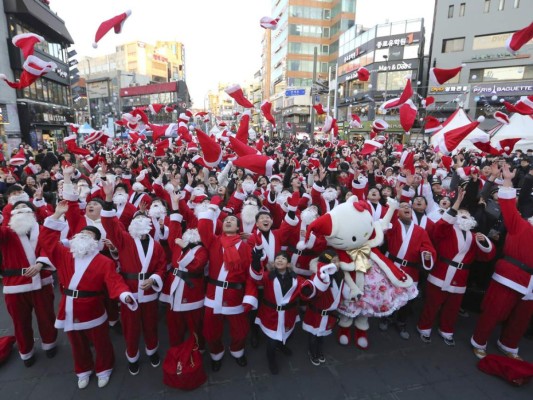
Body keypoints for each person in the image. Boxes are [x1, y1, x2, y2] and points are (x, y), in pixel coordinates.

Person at [40, 201, 138, 389]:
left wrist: (124, 294)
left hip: (92, 306)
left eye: (90, 234)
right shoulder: (64, 255)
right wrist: (56, 216)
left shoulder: (103, 261)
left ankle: (104, 367)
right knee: (77, 343)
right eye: (82, 233)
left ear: (97, 242)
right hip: (69, 306)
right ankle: (83, 370)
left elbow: (114, 281)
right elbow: (48, 242)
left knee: (100, 341)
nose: (84, 236)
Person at [101, 181, 167, 375]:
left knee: (150, 324)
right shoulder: (124, 239)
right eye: (136, 217)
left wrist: (154, 278)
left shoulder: (156, 246)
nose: (140, 219)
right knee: (131, 327)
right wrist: (108, 198)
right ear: (131, 224)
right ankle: (132, 356)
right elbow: (110, 224)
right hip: (129, 289)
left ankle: (152, 351)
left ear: (149, 223)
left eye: (143, 217)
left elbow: (162, 266)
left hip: (148, 291)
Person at [417, 188, 495, 346]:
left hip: (461, 276)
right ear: (456, 217)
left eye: (467, 214)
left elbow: (485, 256)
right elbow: (439, 228)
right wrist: (457, 203)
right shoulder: (447, 231)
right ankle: (424, 327)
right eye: (461, 213)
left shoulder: (474, 236)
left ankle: (446, 330)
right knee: (432, 303)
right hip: (441, 271)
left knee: (453, 307)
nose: (465, 215)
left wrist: (485, 242)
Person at [471, 164, 533, 360]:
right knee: (494, 311)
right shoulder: (521, 225)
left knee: (521, 319)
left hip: (531, 285)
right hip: (510, 275)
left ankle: (509, 345)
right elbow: (508, 206)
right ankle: (479, 341)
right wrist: (507, 180)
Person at [197, 196, 252, 371]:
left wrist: (249, 296)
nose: (228, 221)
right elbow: (203, 226)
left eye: (232, 221)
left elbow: (250, 275)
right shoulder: (214, 241)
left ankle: (237, 350)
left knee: (240, 331)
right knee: (210, 330)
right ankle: (216, 353)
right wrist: (213, 206)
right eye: (226, 220)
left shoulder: (245, 248)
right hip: (213, 294)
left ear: (238, 227)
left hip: (235, 295)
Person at [0, 200, 58, 366]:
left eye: (24, 208)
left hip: (42, 281)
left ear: (32, 213)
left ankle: (50, 344)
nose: (20, 211)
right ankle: (26, 352)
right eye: (16, 209)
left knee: (46, 317)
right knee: (20, 321)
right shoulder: (6, 232)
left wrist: (40, 264)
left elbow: (50, 248)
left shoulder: (42, 231)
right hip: (14, 285)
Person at [245, 250, 313, 374]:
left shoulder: (296, 278)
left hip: (288, 314)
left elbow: (306, 285)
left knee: (287, 335)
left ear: (288, 264)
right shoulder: (267, 276)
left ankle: (281, 346)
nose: (280, 260)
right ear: (274, 263)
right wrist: (255, 262)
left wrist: (308, 290)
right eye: (277, 258)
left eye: (283, 258)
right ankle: (271, 360)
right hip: (271, 315)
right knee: (271, 342)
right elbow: (256, 277)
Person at [381, 200, 436, 339]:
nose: (407, 208)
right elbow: (388, 218)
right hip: (393, 266)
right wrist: (397, 200)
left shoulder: (420, 231)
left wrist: (426, 253)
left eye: (408, 207)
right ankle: (386, 317)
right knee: (390, 294)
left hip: (411, 269)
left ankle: (401, 322)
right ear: (397, 212)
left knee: (407, 299)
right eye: (403, 207)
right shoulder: (394, 225)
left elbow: (428, 247)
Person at [302, 250, 344, 366]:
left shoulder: (340, 275)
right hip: (316, 313)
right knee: (313, 335)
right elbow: (313, 291)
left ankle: (319, 351)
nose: (336, 264)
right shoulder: (318, 276)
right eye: (333, 261)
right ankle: (312, 352)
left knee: (322, 336)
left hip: (328, 313)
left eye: (337, 261)